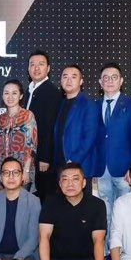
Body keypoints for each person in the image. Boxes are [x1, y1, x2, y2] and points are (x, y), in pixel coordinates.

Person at [94, 62, 131, 236]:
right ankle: (108, 248)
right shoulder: (94, 106)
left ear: (121, 81)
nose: (110, 81)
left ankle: (124, 247)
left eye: (114, 77)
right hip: (101, 170)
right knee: (104, 212)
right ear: (100, 82)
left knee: (125, 212)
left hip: (124, 170)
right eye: (106, 78)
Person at [52, 65, 99, 195]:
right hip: (60, 165)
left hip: (79, 165)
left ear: (81, 81)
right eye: (65, 77)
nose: (68, 80)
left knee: (82, 205)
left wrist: (73, 161)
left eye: (73, 77)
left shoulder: (88, 104)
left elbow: (89, 137)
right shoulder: (61, 103)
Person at [24, 50, 62, 200]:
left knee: (43, 195)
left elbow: (50, 126)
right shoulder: (27, 90)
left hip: (42, 156)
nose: (36, 68)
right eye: (32, 64)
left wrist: (45, 157)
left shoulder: (52, 92)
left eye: (41, 64)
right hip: (28, 154)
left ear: (48, 68)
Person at [0, 79, 37, 189]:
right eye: (6, 93)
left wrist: (26, 171)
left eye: (14, 93)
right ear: (2, 96)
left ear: (21, 96)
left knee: (21, 199)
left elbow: (31, 146)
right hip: (2, 170)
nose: (10, 97)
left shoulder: (27, 115)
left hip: (22, 170)